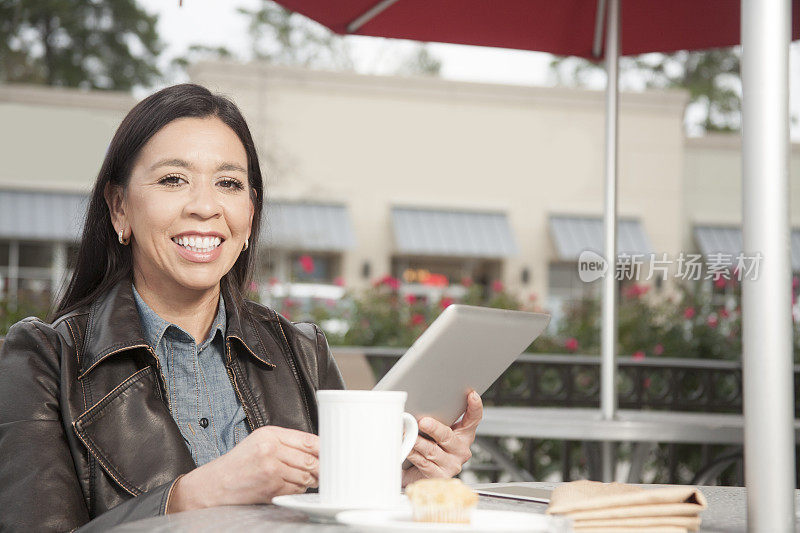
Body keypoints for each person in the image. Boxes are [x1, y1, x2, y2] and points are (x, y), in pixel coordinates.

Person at [0, 84, 483, 531]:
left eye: (228, 184)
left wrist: (405, 483)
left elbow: (341, 516)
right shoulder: (44, 360)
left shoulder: (302, 352)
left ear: (250, 214)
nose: (205, 207)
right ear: (119, 207)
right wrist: (190, 497)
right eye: (174, 179)